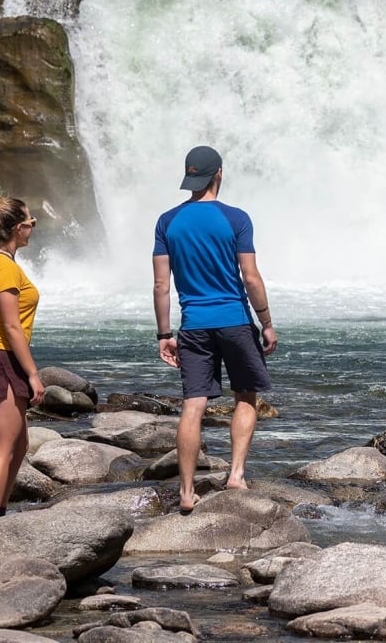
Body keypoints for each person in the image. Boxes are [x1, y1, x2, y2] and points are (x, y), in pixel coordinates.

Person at [153, 145, 277, 513]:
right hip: (235, 321)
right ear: (219, 173)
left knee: (193, 405)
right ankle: (236, 475)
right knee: (245, 396)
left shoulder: (167, 221)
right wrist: (266, 322)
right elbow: (250, 278)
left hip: (193, 325)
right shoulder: (236, 218)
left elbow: (161, 286)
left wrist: (164, 334)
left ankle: (186, 492)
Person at [0, 193, 45, 519]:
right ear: (18, 228)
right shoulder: (2, 267)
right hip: (0, 356)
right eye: (31, 221)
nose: (33, 226)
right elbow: (12, 326)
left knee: (18, 446)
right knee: (1, 450)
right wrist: (33, 374)